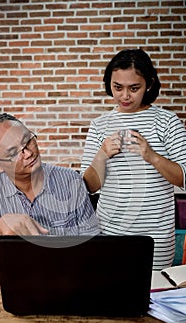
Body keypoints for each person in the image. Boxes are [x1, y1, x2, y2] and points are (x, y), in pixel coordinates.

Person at [81, 48, 186, 271]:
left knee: (152, 300)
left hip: (155, 238)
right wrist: (101, 154)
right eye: (117, 87)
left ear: (148, 84)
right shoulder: (100, 125)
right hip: (108, 233)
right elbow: (89, 186)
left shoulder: (167, 122)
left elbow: (183, 179)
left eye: (134, 88)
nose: (125, 96)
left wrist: (151, 156)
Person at [0, 113, 100, 281]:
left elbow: (95, 247)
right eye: (13, 152)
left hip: (70, 283)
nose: (29, 153)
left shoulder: (71, 180)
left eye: (28, 141)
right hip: (16, 289)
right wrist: (1, 227)